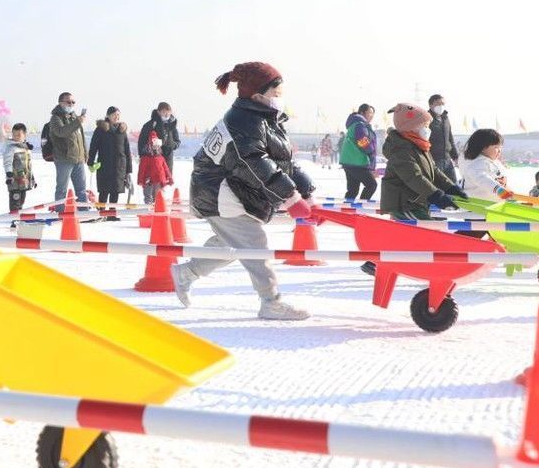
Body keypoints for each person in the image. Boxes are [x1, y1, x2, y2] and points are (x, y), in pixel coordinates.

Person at [171, 61, 314, 321]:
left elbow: (283, 161)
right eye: (276, 94)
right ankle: (271, 301)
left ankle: (186, 274)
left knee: (231, 244)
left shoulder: (264, 118)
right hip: (219, 191)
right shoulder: (243, 121)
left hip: (230, 189)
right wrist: (291, 198)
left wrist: (306, 190)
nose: (280, 99)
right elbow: (255, 162)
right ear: (258, 94)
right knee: (254, 244)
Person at [379, 103, 465, 219]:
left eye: (428, 126)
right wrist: (436, 195)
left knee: (428, 233)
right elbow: (414, 177)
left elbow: (434, 170)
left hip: (417, 203)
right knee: (431, 233)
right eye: (424, 126)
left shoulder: (420, 145)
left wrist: (451, 188)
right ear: (409, 127)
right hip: (404, 205)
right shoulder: (400, 150)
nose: (428, 130)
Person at [47, 92, 89, 208]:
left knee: (81, 189)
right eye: (68, 102)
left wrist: (85, 153)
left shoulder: (74, 117)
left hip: (78, 159)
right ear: (61, 103)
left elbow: (81, 138)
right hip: (64, 159)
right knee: (62, 189)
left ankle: (84, 211)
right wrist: (77, 122)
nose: (71, 104)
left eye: (73, 102)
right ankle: (60, 212)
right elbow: (61, 132)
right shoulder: (55, 118)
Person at [87, 107, 132, 212]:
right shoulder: (101, 129)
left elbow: (127, 150)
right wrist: (90, 162)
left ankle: (112, 213)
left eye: (118, 115)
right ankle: (101, 212)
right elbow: (94, 146)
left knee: (115, 190)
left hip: (120, 165)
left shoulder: (122, 130)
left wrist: (129, 169)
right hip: (105, 164)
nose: (117, 117)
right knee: (104, 190)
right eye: (114, 115)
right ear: (108, 116)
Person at [136, 102, 179, 204]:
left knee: (162, 186)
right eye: (164, 112)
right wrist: (143, 155)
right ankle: (150, 208)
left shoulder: (172, 125)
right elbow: (141, 141)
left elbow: (177, 142)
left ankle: (159, 207)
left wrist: (172, 144)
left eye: (168, 112)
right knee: (150, 186)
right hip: (152, 160)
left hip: (166, 159)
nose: (166, 115)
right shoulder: (151, 124)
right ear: (159, 112)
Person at [339, 104, 378, 200]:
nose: (371, 116)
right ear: (362, 113)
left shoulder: (356, 124)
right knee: (371, 185)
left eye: (373, 113)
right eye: (369, 113)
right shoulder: (360, 125)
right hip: (356, 162)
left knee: (352, 190)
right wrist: (371, 151)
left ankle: (347, 212)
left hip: (350, 161)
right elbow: (362, 141)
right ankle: (360, 208)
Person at [460, 129, 512, 201]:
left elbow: (501, 179)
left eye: (500, 147)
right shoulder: (477, 164)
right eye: (496, 147)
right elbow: (483, 179)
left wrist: (510, 192)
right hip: (476, 204)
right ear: (483, 148)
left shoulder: (495, 162)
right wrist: (499, 190)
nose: (499, 150)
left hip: (492, 203)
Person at [3, 123, 36, 213]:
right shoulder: (11, 148)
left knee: (21, 201)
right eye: (14, 134)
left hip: (24, 180)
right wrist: (9, 175)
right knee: (15, 202)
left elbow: (29, 166)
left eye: (18, 135)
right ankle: (14, 221)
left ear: (24, 135)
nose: (16, 137)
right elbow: (7, 162)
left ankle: (19, 219)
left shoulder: (26, 149)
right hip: (15, 180)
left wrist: (32, 178)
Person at [428, 94, 459, 183]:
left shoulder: (445, 118)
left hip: (447, 159)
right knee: (438, 185)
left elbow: (450, 138)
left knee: (453, 185)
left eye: (443, 104)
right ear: (431, 105)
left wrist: (455, 156)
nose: (441, 106)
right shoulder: (426, 118)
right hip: (434, 160)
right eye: (438, 104)